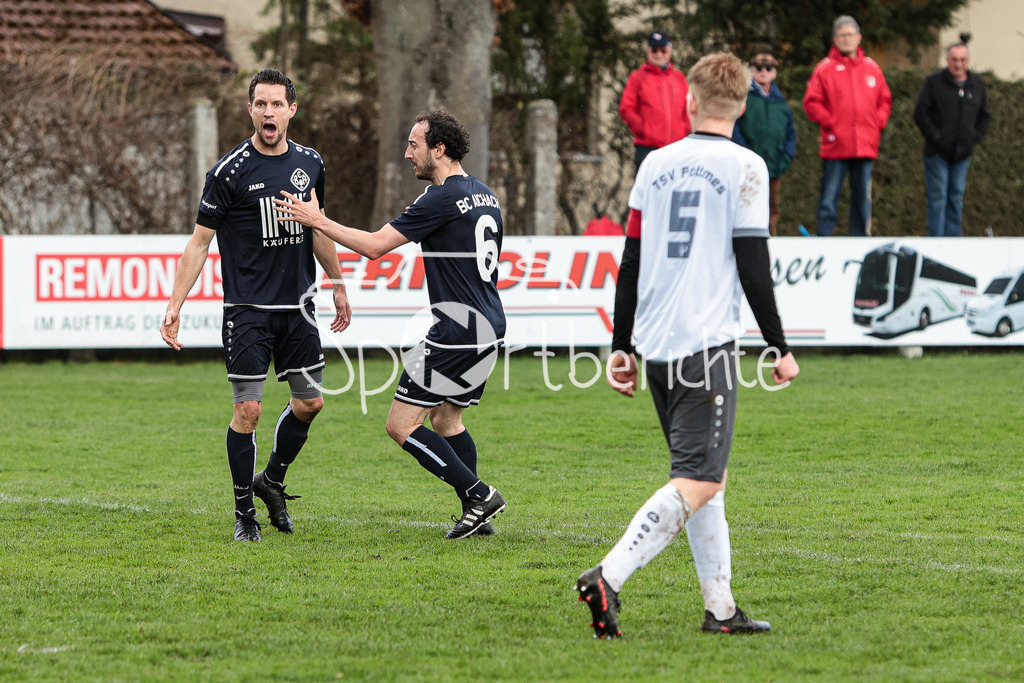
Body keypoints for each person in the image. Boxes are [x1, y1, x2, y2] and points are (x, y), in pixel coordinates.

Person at [574, 52, 800, 639]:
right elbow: (754, 264)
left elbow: (631, 261)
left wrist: (620, 343)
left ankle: (720, 609)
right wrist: (779, 345)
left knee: (704, 476)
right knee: (699, 478)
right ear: (745, 105)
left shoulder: (657, 165)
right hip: (706, 342)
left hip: (655, 343)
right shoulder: (748, 167)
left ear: (689, 100)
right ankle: (609, 575)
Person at [273, 110, 506, 540]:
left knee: (401, 424)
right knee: (447, 422)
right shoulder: (484, 194)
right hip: (491, 324)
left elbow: (376, 247)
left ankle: (478, 493)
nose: (407, 153)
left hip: (456, 330)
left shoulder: (438, 199)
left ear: (439, 149)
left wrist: (317, 220)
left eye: (415, 144)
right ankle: (478, 515)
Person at [160, 69, 351, 543]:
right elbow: (199, 244)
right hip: (247, 310)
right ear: (250, 110)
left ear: (292, 110)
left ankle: (273, 482)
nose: (268, 112)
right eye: (260, 104)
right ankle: (244, 511)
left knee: (311, 403)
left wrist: (339, 282)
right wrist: (174, 304)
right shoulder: (228, 172)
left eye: (276, 105)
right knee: (248, 412)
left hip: (299, 308)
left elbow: (318, 228)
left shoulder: (311, 164)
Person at [803, 16, 892, 236]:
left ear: (859, 38)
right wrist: (831, 124)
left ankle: (859, 240)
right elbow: (811, 102)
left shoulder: (872, 68)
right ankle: (825, 238)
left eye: (850, 35)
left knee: (862, 197)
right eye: (842, 35)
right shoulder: (824, 69)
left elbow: (885, 100)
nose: (846, 39)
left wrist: (876, 123)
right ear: (834, 39)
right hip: (836, 145)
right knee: (829, 197)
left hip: (865, 144)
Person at [913, 42, 991, 237]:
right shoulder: (934, 82)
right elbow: (921, 113)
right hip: (936, 153)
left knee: (956, 197)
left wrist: (975, 137)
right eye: (954, 59)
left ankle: (954, 241)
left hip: (963, 154)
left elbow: (985, 114)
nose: (958, 64)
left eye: (962, 60)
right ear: (947, 60)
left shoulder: (978, 84)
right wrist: (936, 136)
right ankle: (937, 241)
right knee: (938, 197)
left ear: (968, 61)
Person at [732, 53, 796, 236]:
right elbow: (735, 127)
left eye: (768, 68)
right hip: (749, 166)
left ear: (774, 73)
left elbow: (791, 132)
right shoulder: (744, 97)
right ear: (752, 71)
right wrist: (745, 155)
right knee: (746, 205)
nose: (763, 72)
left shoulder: (781, 101)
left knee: (772, 206)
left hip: (774, 165)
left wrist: (786, 156)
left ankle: (770, 240)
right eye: (758, 68)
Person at [619, 30, 691, 173]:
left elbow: (688, 107)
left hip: (677, 149)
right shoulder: (637, 78)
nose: (659, 54)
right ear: (648, 52)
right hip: (649, 150)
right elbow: (626, 108)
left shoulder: (679, 78)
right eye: (654, 50)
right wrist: (645, 130)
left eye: (663, 50)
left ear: (669, 51)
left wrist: (684, 129)